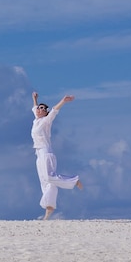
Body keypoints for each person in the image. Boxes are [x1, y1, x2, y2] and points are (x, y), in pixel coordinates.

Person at [31, 91, 83, 220]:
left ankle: (74, 180)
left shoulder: (46, 121)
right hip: (38, 154)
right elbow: (34, 108)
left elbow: (54, 110)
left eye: (42, 108)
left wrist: (63, 101)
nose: (39, 109)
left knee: (49, 177)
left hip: (46, 152)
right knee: (45, 183)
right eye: (38, 108)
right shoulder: (36, 120)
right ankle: (49, 208)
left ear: (45, 112)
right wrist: (35, 99)